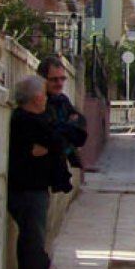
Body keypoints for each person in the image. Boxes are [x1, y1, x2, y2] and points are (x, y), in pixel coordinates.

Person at [7, 74, 71, 269]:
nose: (46, 98)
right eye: (43, 94)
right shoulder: (26, 120)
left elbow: (57, 141)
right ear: (35, 98)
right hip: (27, 191)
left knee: (32, 243)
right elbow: (55, 140)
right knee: (34, 244)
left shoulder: (36, 119)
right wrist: (50, 145)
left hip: (33, 189)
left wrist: (49, 146)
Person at [37, 56, 88, 195]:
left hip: (56, 172)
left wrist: (69, 126)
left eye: (62, 79)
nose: (59, 83)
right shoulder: (39, 103)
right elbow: (53, 136)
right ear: (42, 79)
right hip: (40, 175)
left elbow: (80, 128)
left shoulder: (62, 99)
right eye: (54, 79)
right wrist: (68, 126)